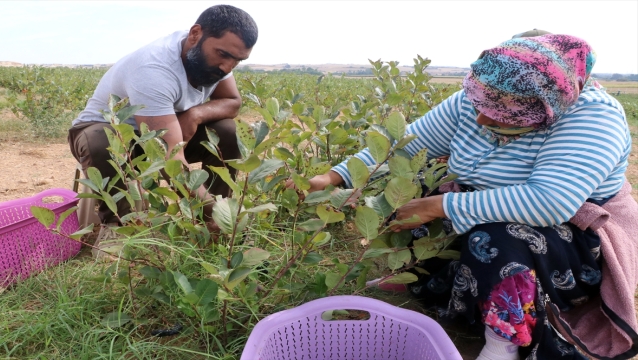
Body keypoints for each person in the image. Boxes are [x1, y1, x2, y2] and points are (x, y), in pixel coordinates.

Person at [291, 35, 638, 359]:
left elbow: (549, 202)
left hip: (567, 235)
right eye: (480, 103)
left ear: (545, 111)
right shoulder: (484, 95)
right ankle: (414, 274)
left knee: (498, 236)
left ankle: (502, 341)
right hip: (485, 208)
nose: (481, 117)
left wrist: (438, 206)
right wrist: (335, 176)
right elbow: (406, 144)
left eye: (503, 117)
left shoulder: (594, 119)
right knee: (409, 183)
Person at [67, 5, 258, 240]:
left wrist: (194, 115)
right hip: (112, 136)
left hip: (166, 133)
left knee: (228, 132)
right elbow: (169, 160)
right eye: (223, 55)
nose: (227, 67)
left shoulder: (213, 57)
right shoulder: (154, 68)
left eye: (237, 60)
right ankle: (117, 229)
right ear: (196, 34)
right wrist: (226, 218)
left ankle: (212, 222)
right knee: (102, 140)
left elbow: (232, 102)